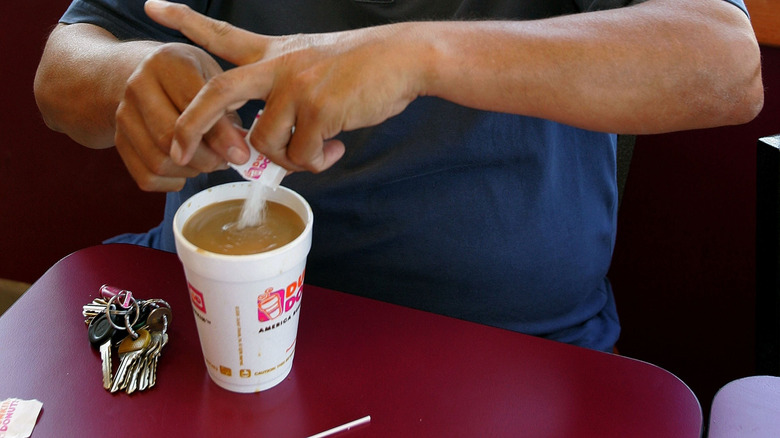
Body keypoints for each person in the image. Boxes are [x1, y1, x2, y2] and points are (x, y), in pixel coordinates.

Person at [34, 0, 763, 352]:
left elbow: (727, 66)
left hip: (508, 342)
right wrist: (130, 78)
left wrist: (422, 56)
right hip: (207, 315)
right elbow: (65, 65)